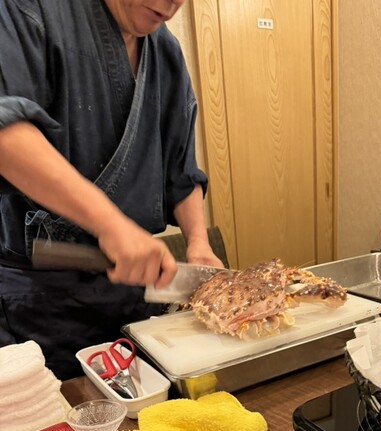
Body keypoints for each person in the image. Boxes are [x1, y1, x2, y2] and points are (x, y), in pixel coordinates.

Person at [0, 0, 224, 380]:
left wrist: (198, 243)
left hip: (133, 295)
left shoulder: (165, 51)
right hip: (38, 299)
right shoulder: (31, 8)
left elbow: (181, 170)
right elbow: (6, 133)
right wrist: (111, 225)